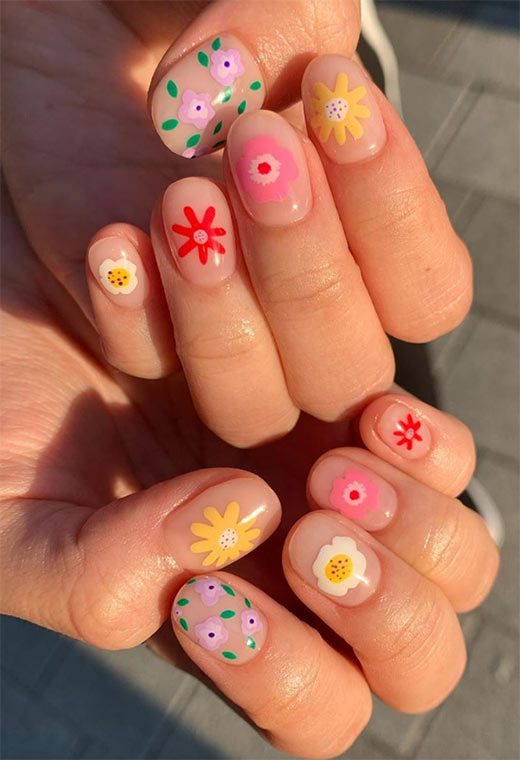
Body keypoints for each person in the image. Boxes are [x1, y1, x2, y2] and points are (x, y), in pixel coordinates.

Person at [1, 2, 498, 756]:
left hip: (267, 108)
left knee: (367, 344)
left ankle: (406, 468)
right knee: (360, 367)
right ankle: (399, 475)